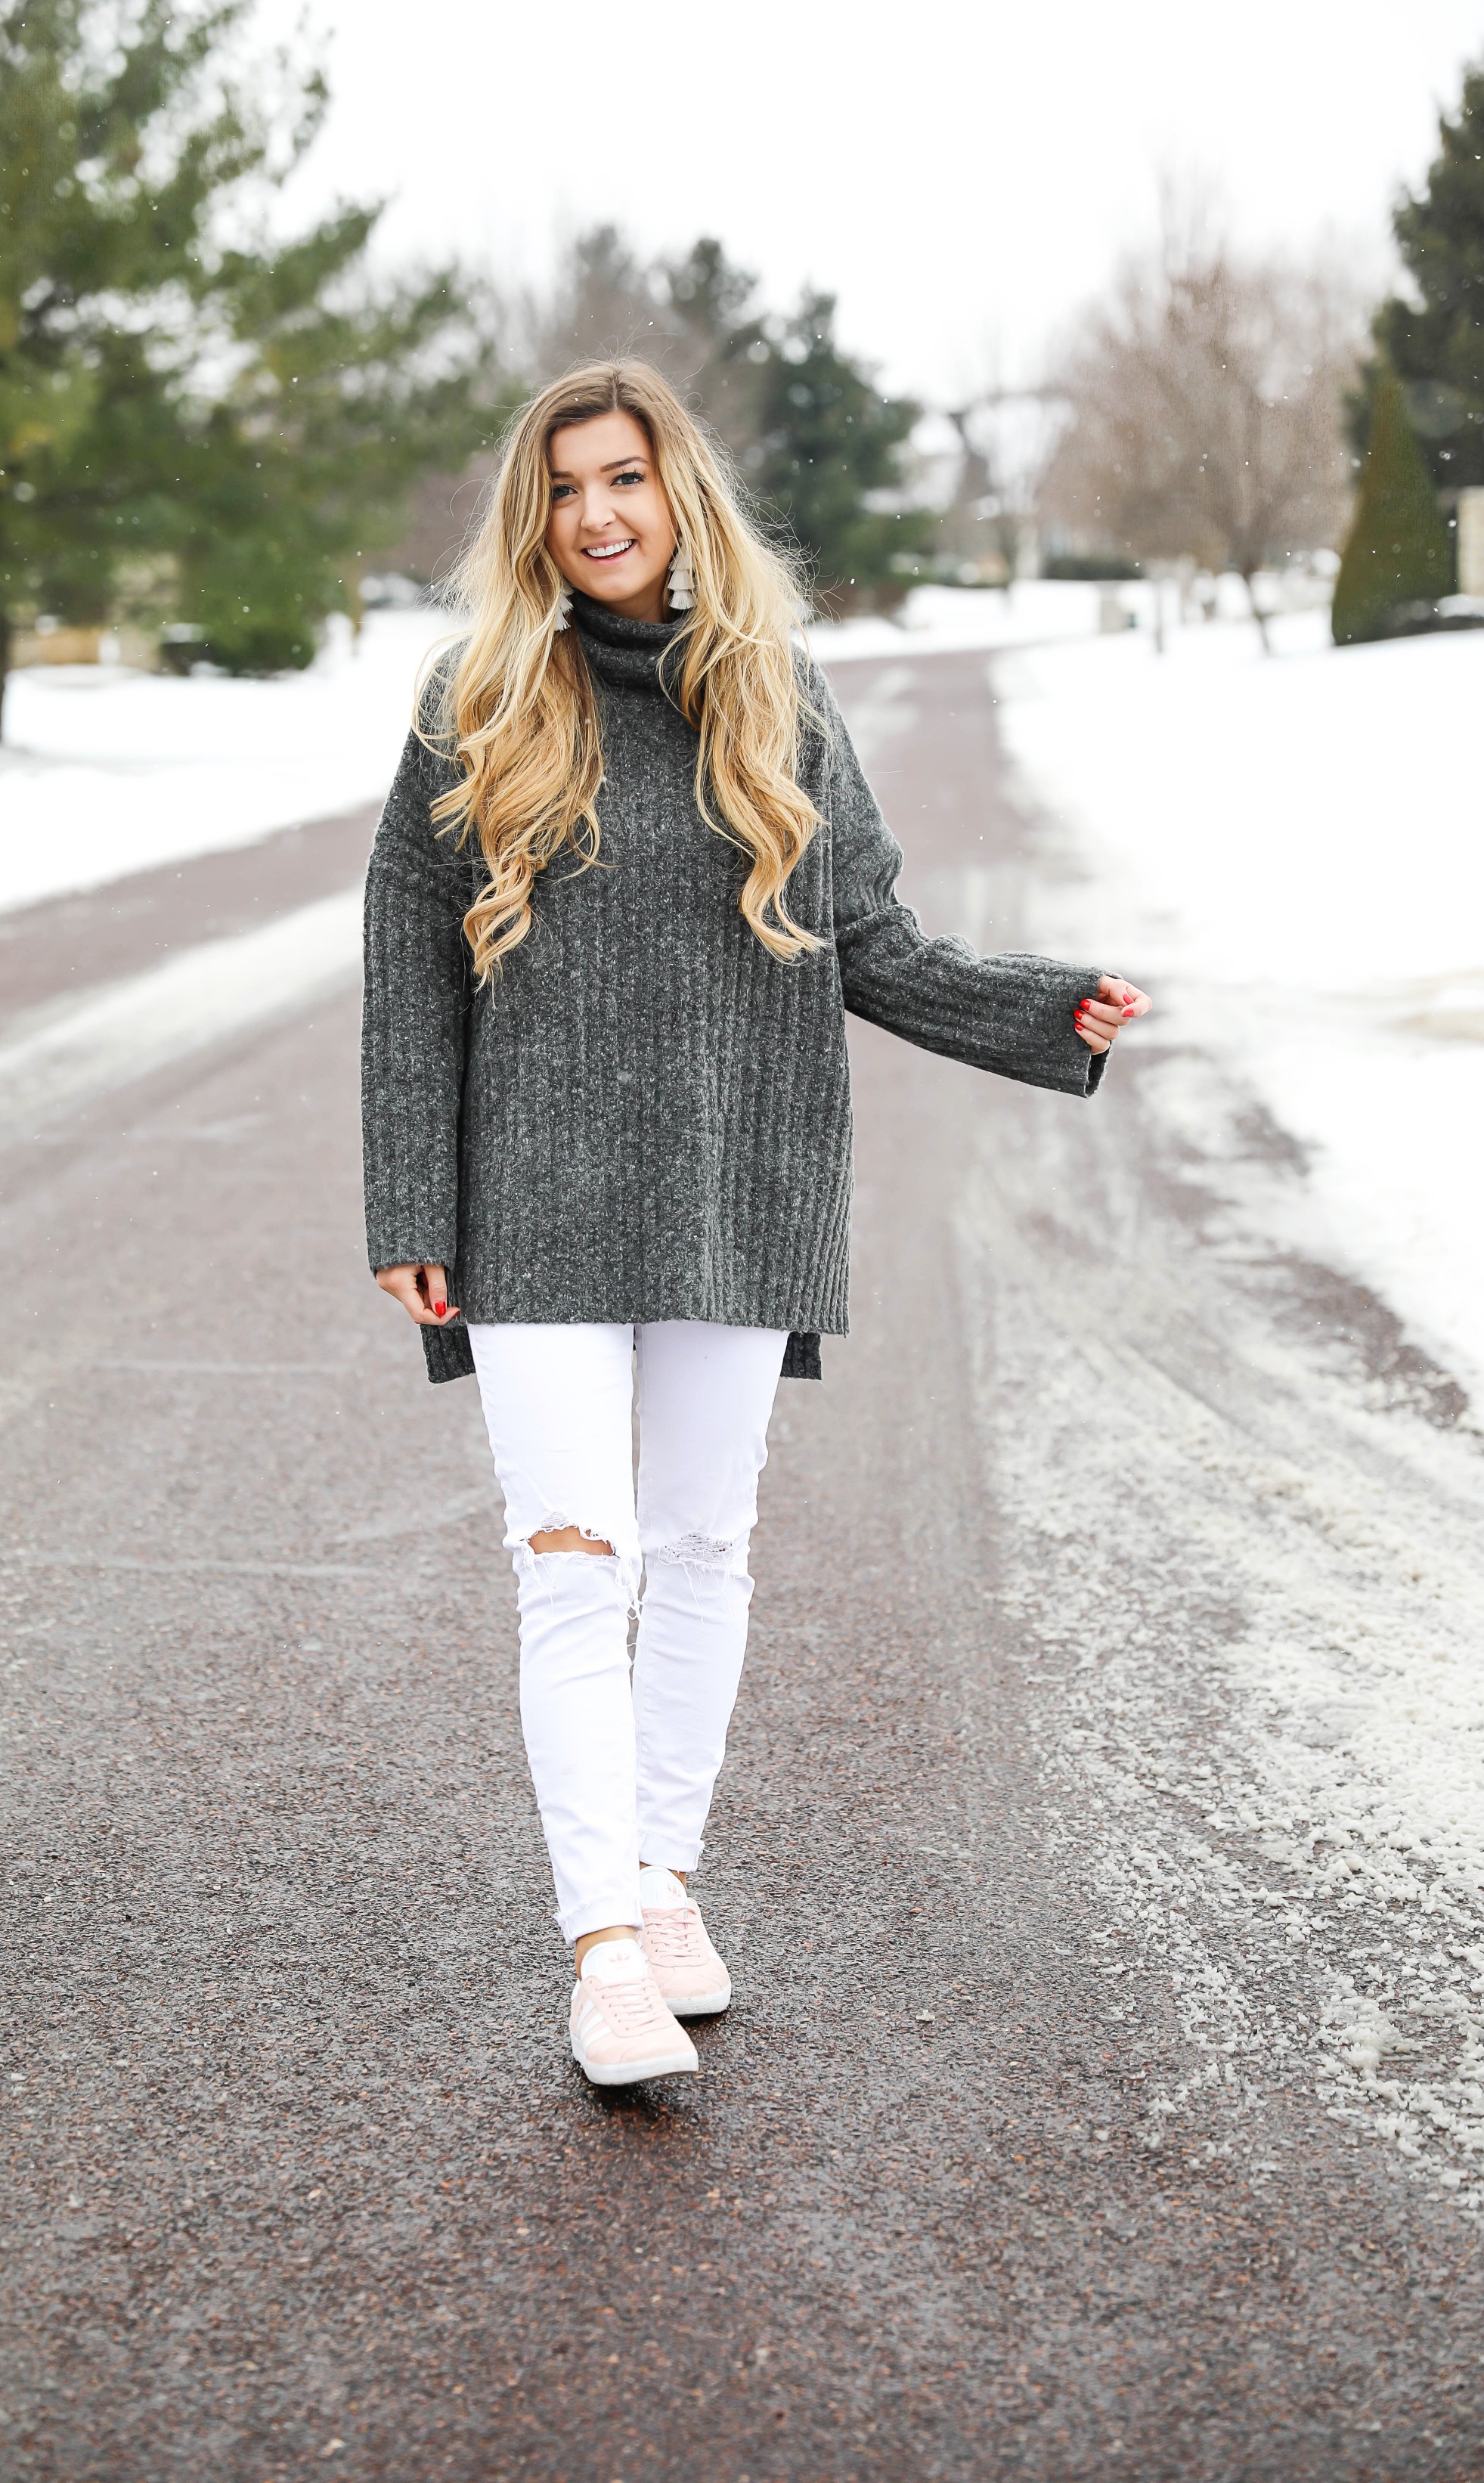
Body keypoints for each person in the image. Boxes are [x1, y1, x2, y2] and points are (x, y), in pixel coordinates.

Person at [361, 361, 1149, 2088]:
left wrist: (1040, 1012)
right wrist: (411, 1202)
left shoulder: (773, 697)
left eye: (624, 477)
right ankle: (600, 1955)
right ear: (535, 517)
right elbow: (410, 974)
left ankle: (660, 1883)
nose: (598, 515)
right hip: (532, 1202)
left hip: (738, 1177)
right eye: (566, 489)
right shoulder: (475, 698)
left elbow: (872, 938)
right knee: (574, 1562)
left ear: (677, 490)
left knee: (702, 1552)